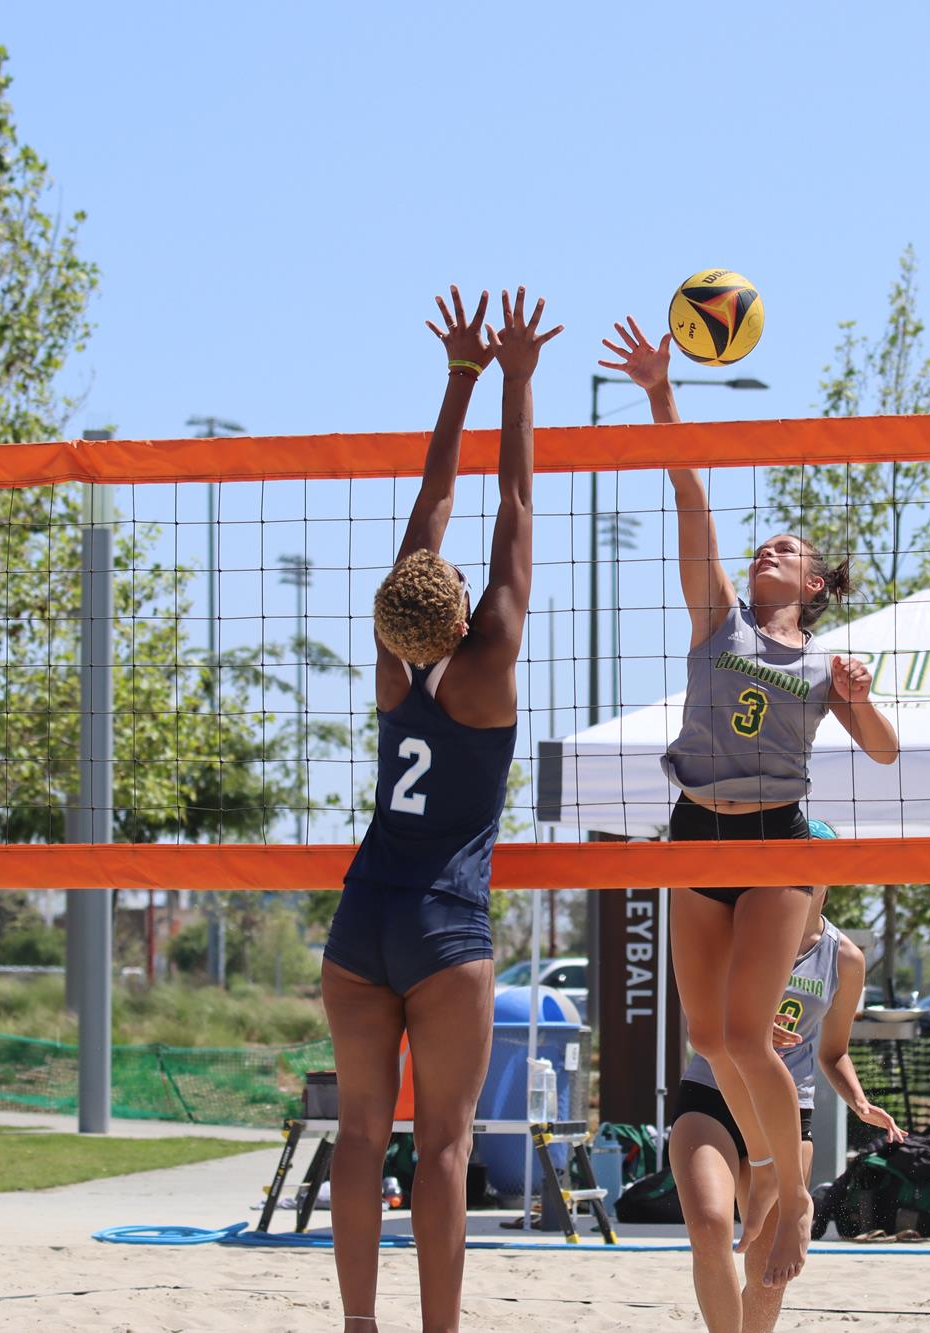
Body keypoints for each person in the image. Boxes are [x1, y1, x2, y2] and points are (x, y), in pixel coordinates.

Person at [598, 314, 899, 1290]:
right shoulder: (714, 620)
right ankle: (772, 1167)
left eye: (787, 548)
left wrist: (858, 695)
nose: (768, 546)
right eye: (764, 541)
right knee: (707, 1039)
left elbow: (887, 753)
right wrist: (657, 393)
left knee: (745, 1032)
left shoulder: (821, 663)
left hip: (778, 842)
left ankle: (794, 1189)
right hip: (695, 835)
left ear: (811, 585)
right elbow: (689, 495)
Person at [321, 286, 558, 1332]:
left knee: (362, 1133)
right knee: (446, 1144)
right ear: (458, 608)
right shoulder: (489, 660)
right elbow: (512, 506)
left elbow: (431, 509)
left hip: (360, 916)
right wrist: (516, 381)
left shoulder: (390, 662)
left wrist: (457, 379)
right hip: (444, 924)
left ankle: (358, 1325)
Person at [667, 886, 902, 1333]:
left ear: (826, 881)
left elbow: (834, 1052)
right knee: (709, 1227)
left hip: (785, 1111)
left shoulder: (844, 957)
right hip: (713, 1093)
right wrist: (747, 1024)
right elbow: (702, 1012)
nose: (792, 880)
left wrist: (860, 1100)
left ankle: (795, 1201)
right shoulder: (738, 926)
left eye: (804, 871)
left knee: (768, 1274)